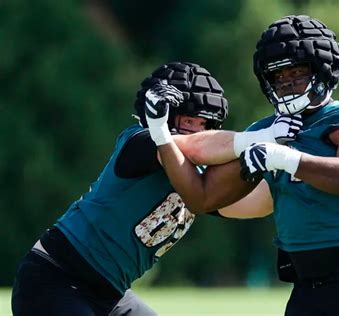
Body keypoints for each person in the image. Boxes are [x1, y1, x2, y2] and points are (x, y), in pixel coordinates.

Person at [145, 15, 339, 316]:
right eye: (278, 77)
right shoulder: (265, 130)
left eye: (296, 74)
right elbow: (204, 197)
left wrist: (283, 158)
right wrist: (161, 137)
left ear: (322, 70)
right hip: (308, 283)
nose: (286, 84)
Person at [11, 60, 302, 316]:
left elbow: (258, 203)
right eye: (189, 120)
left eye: (205, 124)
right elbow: (192, 146)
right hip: (56, 278)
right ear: (161, 113)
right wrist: (263, 136)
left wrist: (296, 167)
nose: (198, 130)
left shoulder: (195, 179)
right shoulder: (139, 142)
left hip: (110, 293)